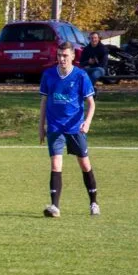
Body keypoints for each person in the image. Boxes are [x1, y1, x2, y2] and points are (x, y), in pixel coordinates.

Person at [39, 41, 99, 217]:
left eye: (65, 55)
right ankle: (54, 206)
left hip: (75, 127)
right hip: (55, 126)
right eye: (59, 55)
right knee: (56, 163)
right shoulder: (49, 75)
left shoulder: (81, 76)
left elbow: (91, 104)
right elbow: (44, 101)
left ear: (73, 56)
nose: (61, 59)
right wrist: (41, 125)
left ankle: (94, 202)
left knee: (84, 163)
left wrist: (87, 122)